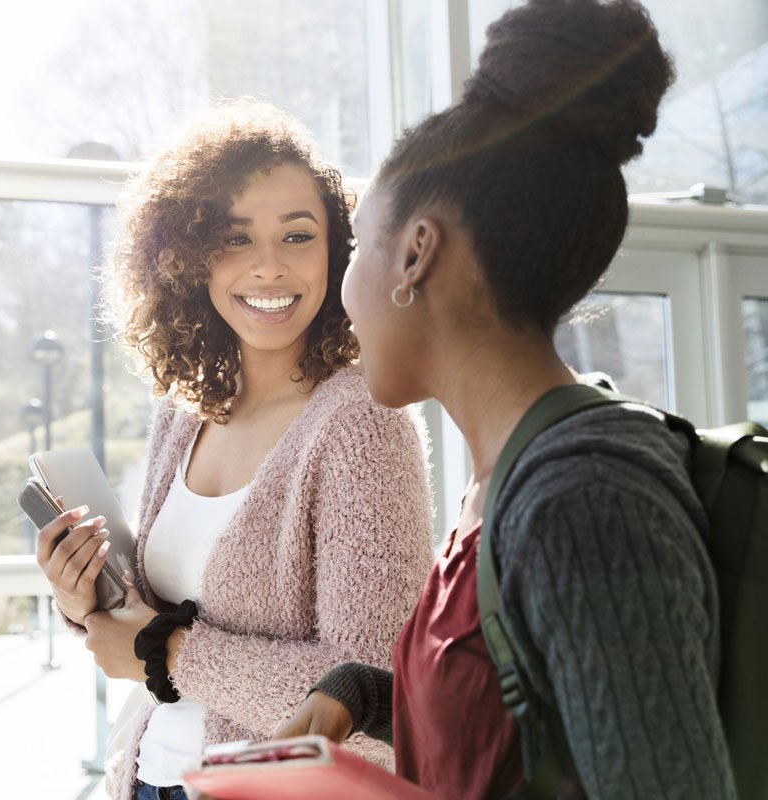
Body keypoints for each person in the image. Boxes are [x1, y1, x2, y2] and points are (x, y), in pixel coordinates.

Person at [274, 1, 738, 797]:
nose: (340, 293)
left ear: (415, 253)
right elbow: (521, 720)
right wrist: (357, 695)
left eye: (355, 246)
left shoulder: (584, 501)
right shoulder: (509, 479)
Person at [33, 100, 435, 800]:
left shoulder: (363, 424)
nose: (269, 268)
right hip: (146, 777)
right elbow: (151, 618)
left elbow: (376, 693)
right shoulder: (182, 411)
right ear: (189, 260)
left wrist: (167, 653)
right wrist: (84, 596)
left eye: (297, 236)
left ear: (337, 252)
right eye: (235, 239)